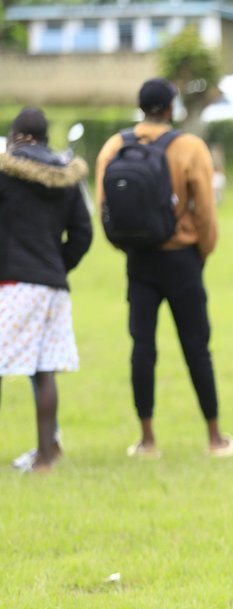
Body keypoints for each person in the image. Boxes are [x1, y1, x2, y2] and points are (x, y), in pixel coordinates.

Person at [95, 78, 233, 458]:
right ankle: (214, 437)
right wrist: (201, 252)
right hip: (182, 260)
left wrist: (126, 246)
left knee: (142, 347)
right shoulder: (189, 147)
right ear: (169, 107)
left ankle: (147, 440)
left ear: (142, 106)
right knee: (197, 347)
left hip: (139, 260)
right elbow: (205, 211)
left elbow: (104, 209)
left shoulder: (114, 146)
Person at [0, 107, 92, 472]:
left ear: (16, 136)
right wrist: (58, 264)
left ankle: (44, 454)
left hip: (13, 284)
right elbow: (83, 233)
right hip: (54, 286)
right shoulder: (66, 177)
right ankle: (44, 457)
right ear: (45, 137)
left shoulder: (5, 174)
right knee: (43, 369)